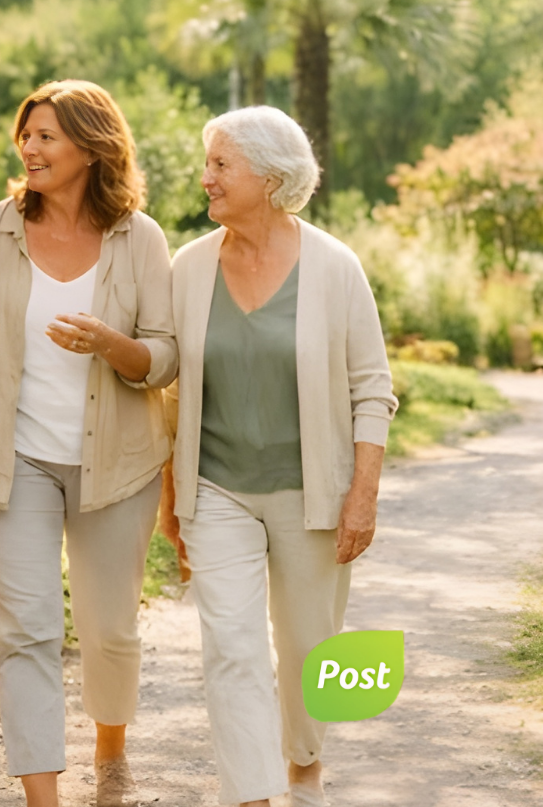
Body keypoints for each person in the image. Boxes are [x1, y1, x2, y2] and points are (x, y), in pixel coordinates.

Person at [0, 80, 177, 807]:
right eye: (27, 134)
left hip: (120, 464)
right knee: (25, 631)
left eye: (48, 135)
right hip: (15, 464)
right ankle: (43, 796)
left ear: (92, 148)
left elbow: (165, 355)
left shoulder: (139, 239)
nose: (30, 148)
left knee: (109, 631)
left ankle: (111, 748)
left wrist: (113, 344)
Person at [160, 105, 398, 807]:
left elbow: (372, 388)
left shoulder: (333, 266)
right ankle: (254, 795)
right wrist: (173, 498)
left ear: (269, 176)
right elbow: (175, 391)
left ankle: (303, 764)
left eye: (220, 165)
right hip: (218, 489)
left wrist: (363, 493)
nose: (206, 178)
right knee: (230, 646)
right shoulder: (189, 268)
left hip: (311, 491)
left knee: (306, 649)